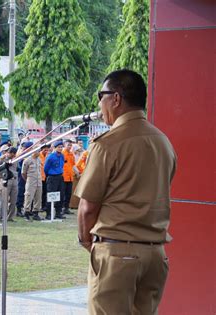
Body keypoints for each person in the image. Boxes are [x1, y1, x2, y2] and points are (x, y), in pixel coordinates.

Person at [75, 69, 177, 315]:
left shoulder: (108, 144)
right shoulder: (163, 142)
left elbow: (88, 207)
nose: (100, 104)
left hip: (117, 253)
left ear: (116, 98)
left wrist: (87, 242)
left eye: (102, 96)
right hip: (155, 255)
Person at [0, 147, 19, 222]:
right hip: (4, 180)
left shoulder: (15, 159)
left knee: (13, 200)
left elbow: (16, 169)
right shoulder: (0, 159)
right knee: (3, 199)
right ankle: (2, 217)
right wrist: (1, 180)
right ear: (9, 152)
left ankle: (10, 217)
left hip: (14, 180)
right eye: (12, 154)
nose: (14, 155)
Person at [44, 140, 66, 220]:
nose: (60, 149)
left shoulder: (62, 156)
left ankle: (58, 212)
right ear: (55, 148)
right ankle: (48, 213)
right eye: (59, 147)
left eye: (61, 147)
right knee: (51, 195)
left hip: (60, 176)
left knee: (61, 194)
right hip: (52, 177)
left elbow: (62, 165)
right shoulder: (51, 156)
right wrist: (50, 175)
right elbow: (46, 168)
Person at [22, 150, 43, 221]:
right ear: (33, 151)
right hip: (31, 180)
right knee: (28, 196)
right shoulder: (27, 160)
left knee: (38, 197)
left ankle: (35, 213)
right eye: (37, 151)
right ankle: (26, 212)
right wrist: (28, 180)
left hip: (38, 181)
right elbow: (23, 173)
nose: (39, 152)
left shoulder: (39, 160)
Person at [62, 140, 78, 215]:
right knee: (63, 193)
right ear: (64, 145)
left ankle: (66, 208)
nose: (70, 146)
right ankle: (61, 208)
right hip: (63, 177)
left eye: (70, 145)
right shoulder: (62, 154)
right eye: (68, 145)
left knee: (68, 193)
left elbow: (73, 165)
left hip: (70, 177)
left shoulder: (71, 154)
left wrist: (77, 172)